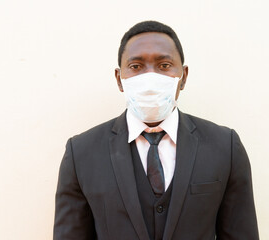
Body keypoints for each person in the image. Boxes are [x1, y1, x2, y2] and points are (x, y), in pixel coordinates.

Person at [53, 20, 259, 240]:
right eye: (136, 67)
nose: (150, 79)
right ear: (119, 79)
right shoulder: (81, 153)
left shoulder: (225, 146)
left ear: (184, 76)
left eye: (163, 65)